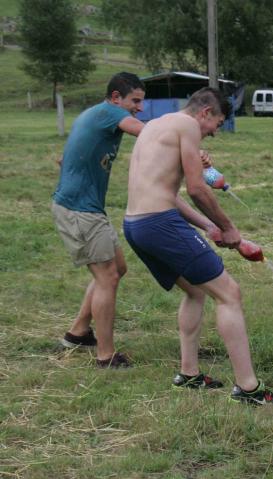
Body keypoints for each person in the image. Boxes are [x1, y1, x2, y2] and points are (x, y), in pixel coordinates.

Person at [123, 87, 273, 406]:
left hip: (135, 225)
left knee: (196, 291)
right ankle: (249, 388)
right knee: (229, 294)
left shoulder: (158, 124)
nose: (215, 132)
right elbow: (196, 189)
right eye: (218, 123)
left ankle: (189, 373)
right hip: (159, 223)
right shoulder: (189, 126)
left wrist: (208, 226)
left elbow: (169, 192)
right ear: (205, 112)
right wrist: (228, 227)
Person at [52, 72, 145, 368]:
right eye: (135, 101)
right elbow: (147, 132)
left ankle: (78, 332)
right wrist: (184, 132)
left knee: (117, 268)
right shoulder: (108, 112)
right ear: (116, 97)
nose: (139, 108)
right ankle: (106, 355)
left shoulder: (94, 114)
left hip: (86, 207)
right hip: (79, 209)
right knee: (108, 277)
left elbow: (64, 159)